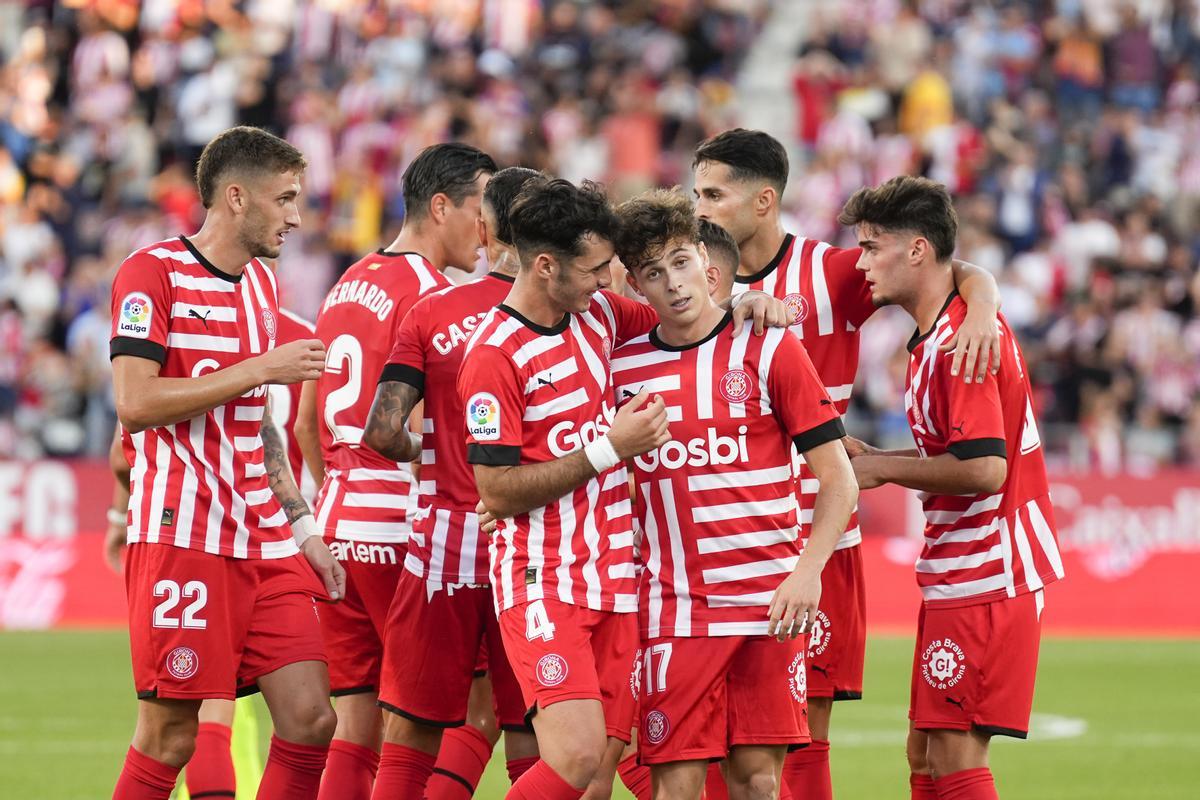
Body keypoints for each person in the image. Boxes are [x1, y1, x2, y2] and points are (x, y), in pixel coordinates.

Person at [692, 128, 1003, 800]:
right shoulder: (685, 276)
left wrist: (983, 306)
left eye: (714, 194)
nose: (702, 207)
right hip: (714, 540)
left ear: (763, 200)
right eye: (697, 194)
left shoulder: (832, 273)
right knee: (702, 730)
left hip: (816, 535)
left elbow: (946, 270)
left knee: (806, 728)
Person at [456, 178, 788, 800]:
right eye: (594, 268)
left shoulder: (600, 315)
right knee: (576, 755)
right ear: (547, 265)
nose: (607, 280)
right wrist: (611, 447)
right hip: (543, 579)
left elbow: (690, 316)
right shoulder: (494, 357)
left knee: (597, 781)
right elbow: (496, 492)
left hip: (617, 584)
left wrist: (749, 301)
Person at [108, 125, 344, 800]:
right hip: (185, 537)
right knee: (171, 736)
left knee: (310, 719)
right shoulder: (152, 273)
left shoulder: (262, 288)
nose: (297, 216)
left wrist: (304, 530)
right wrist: (258, 369)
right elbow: (134, 402)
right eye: (286, 198)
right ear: (236, 197)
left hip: (264, 540)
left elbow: (263, 430)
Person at [610, 189, 858, 800]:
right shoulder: (620, 371)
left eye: (680, 262)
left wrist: (807, 574)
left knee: (758, 784)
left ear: (706, 259)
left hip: (767, 606)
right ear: (635, 285)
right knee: (674, 788)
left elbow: (839, 478)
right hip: (674, 612)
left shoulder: (771, 346)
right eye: (652, 273)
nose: (673, 283)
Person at [836, 176, 1064, 800]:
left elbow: (985, 468)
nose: (860, 264)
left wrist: (883, 469)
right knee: (927, 753)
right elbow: (958, 453)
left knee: (955, 757)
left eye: (871, 247)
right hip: (962, 571)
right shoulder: (947, 327)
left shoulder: (961, 341)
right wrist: (881, 455)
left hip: (991, 571)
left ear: (915, 251)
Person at [293, 142, 497, 800]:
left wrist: (337, 497)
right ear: (440, 208)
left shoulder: (345, 284)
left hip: (337, 525)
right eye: (477, 211)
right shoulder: (437, 300)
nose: (487, 231)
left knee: (357, 726)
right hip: (409, 532)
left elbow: (305, 423)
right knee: (477, 710)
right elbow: (422, 429)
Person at [360, 166, 547, 798]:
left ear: (487, 226)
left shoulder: (432, 311)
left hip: (445, 544)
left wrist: (433, 448)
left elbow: (382, 431)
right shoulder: (577, 314)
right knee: (529, 732)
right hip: (531, 542)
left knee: (409, 730)